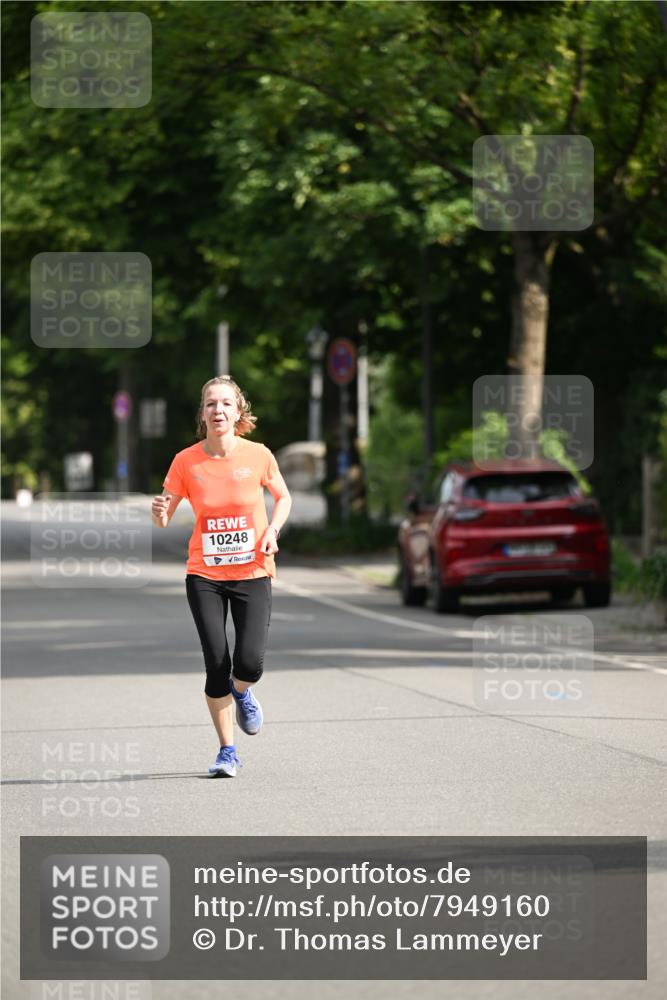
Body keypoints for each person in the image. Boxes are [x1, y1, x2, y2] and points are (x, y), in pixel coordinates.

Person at [151, 375, 292, 777]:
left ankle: (242, 692)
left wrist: (272, 530)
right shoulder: (186, 461)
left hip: (252, 570)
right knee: (216, 662)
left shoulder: (259, 455)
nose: (218, 410)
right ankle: (227, 751)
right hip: (205, 574)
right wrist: (159, 513)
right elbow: (164, 516)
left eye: (226, 404)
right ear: (203, 413)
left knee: (249, 663)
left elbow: (283, 497)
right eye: (211, 404)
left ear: (238, 412)